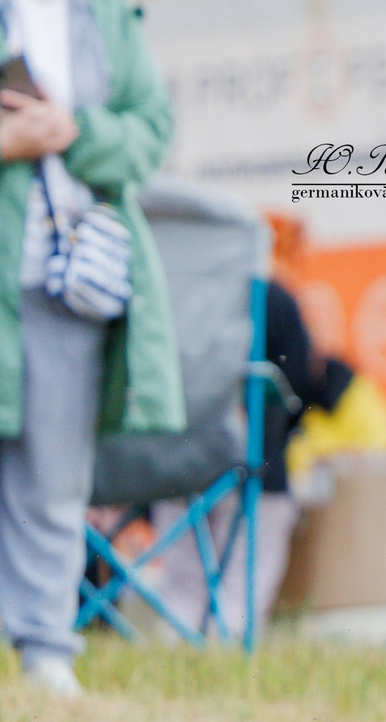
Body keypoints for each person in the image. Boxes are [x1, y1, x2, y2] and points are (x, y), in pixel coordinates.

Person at [0, 0, 183, 695]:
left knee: (54, 475)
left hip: (73, 280)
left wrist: (77, 134)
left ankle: (47, 651)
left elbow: (151, 132)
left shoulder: (108, 15)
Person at [150, 270, 352, 636]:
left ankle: (180, 645)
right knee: (241, 596)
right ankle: (227, 651)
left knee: (183, 592)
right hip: (257, 467)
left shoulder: (166, 291)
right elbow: (299, 385)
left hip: (173, 466)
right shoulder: (271, 297)